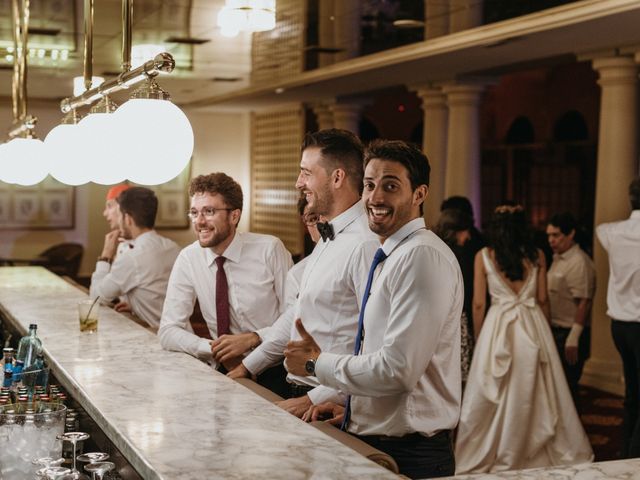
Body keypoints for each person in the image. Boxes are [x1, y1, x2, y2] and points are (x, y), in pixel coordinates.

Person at [284, 140, 463, 479]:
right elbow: (375, 351)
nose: (375, 198)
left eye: (391, 186)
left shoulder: (422, 257)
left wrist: (315, 363)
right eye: (369, 185)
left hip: (411, 453)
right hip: (376, 437)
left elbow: (398, 370)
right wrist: (351, 409)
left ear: (419, 194)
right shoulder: (392, 255)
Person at [228, 129, 378, 418]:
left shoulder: (365, 244)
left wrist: (312, 399)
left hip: (326, 403)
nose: (299, 183)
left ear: (337, 178)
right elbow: (298, 314)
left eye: (306, 173)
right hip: (296, 388)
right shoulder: (329, 237)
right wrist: (248, 367)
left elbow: (371, 344)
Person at [455, 205, 593, 473]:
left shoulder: (484, 256)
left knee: (496, 389)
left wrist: (482, 341)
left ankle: (496, 450)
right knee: (538, 387)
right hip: (532, 324)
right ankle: (534, 445)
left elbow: (479, 305)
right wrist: (548, 335)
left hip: (498, 326)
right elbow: (542, 300)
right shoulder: (538, 255)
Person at [158, 172, 292, 394]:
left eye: (209, 211)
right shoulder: (189, 258)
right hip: (220, 370)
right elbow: (168, 331)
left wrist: (253, 339)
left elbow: (295, 317)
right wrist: (213, 348)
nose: (200, 221)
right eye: (194, 213)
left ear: (234, 216)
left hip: (273, 369)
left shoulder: (270, 249)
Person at [90, 187, 181, 329]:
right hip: (182, 334)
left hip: (157, 339)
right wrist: (135, 305)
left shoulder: (132, 258)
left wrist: (105, 255)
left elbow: (96, 298)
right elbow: (157, 293)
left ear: (127, 218)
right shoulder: (174, 248)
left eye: (120, 215)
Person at [596, 176, 640, 458]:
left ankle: (626, 452)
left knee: (632, 395)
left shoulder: (611, 232)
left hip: (620, 327)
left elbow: (601, 229)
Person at [547, 212, 595, 409]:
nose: (551, 240)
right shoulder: (558, 257)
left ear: (571, 234)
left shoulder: (579, 262)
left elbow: (584, 302)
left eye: (556, 235)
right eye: (549, 235)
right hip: (556, 330)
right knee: (557, 389)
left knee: (568, 389)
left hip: (569, 334)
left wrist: (573, 337)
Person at [434, 208, 474, 385]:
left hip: (435, 318)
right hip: (455, 318)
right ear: (457, 230)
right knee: (457, 374)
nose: (468, 237)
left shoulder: (434, 248)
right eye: (466, 231)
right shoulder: (460, 255)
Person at [102, 183, 134, 256]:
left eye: (109, 206)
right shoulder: (120, 243)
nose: (104, 213)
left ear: (123, 208)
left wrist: (106, 254)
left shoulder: (140, 249)